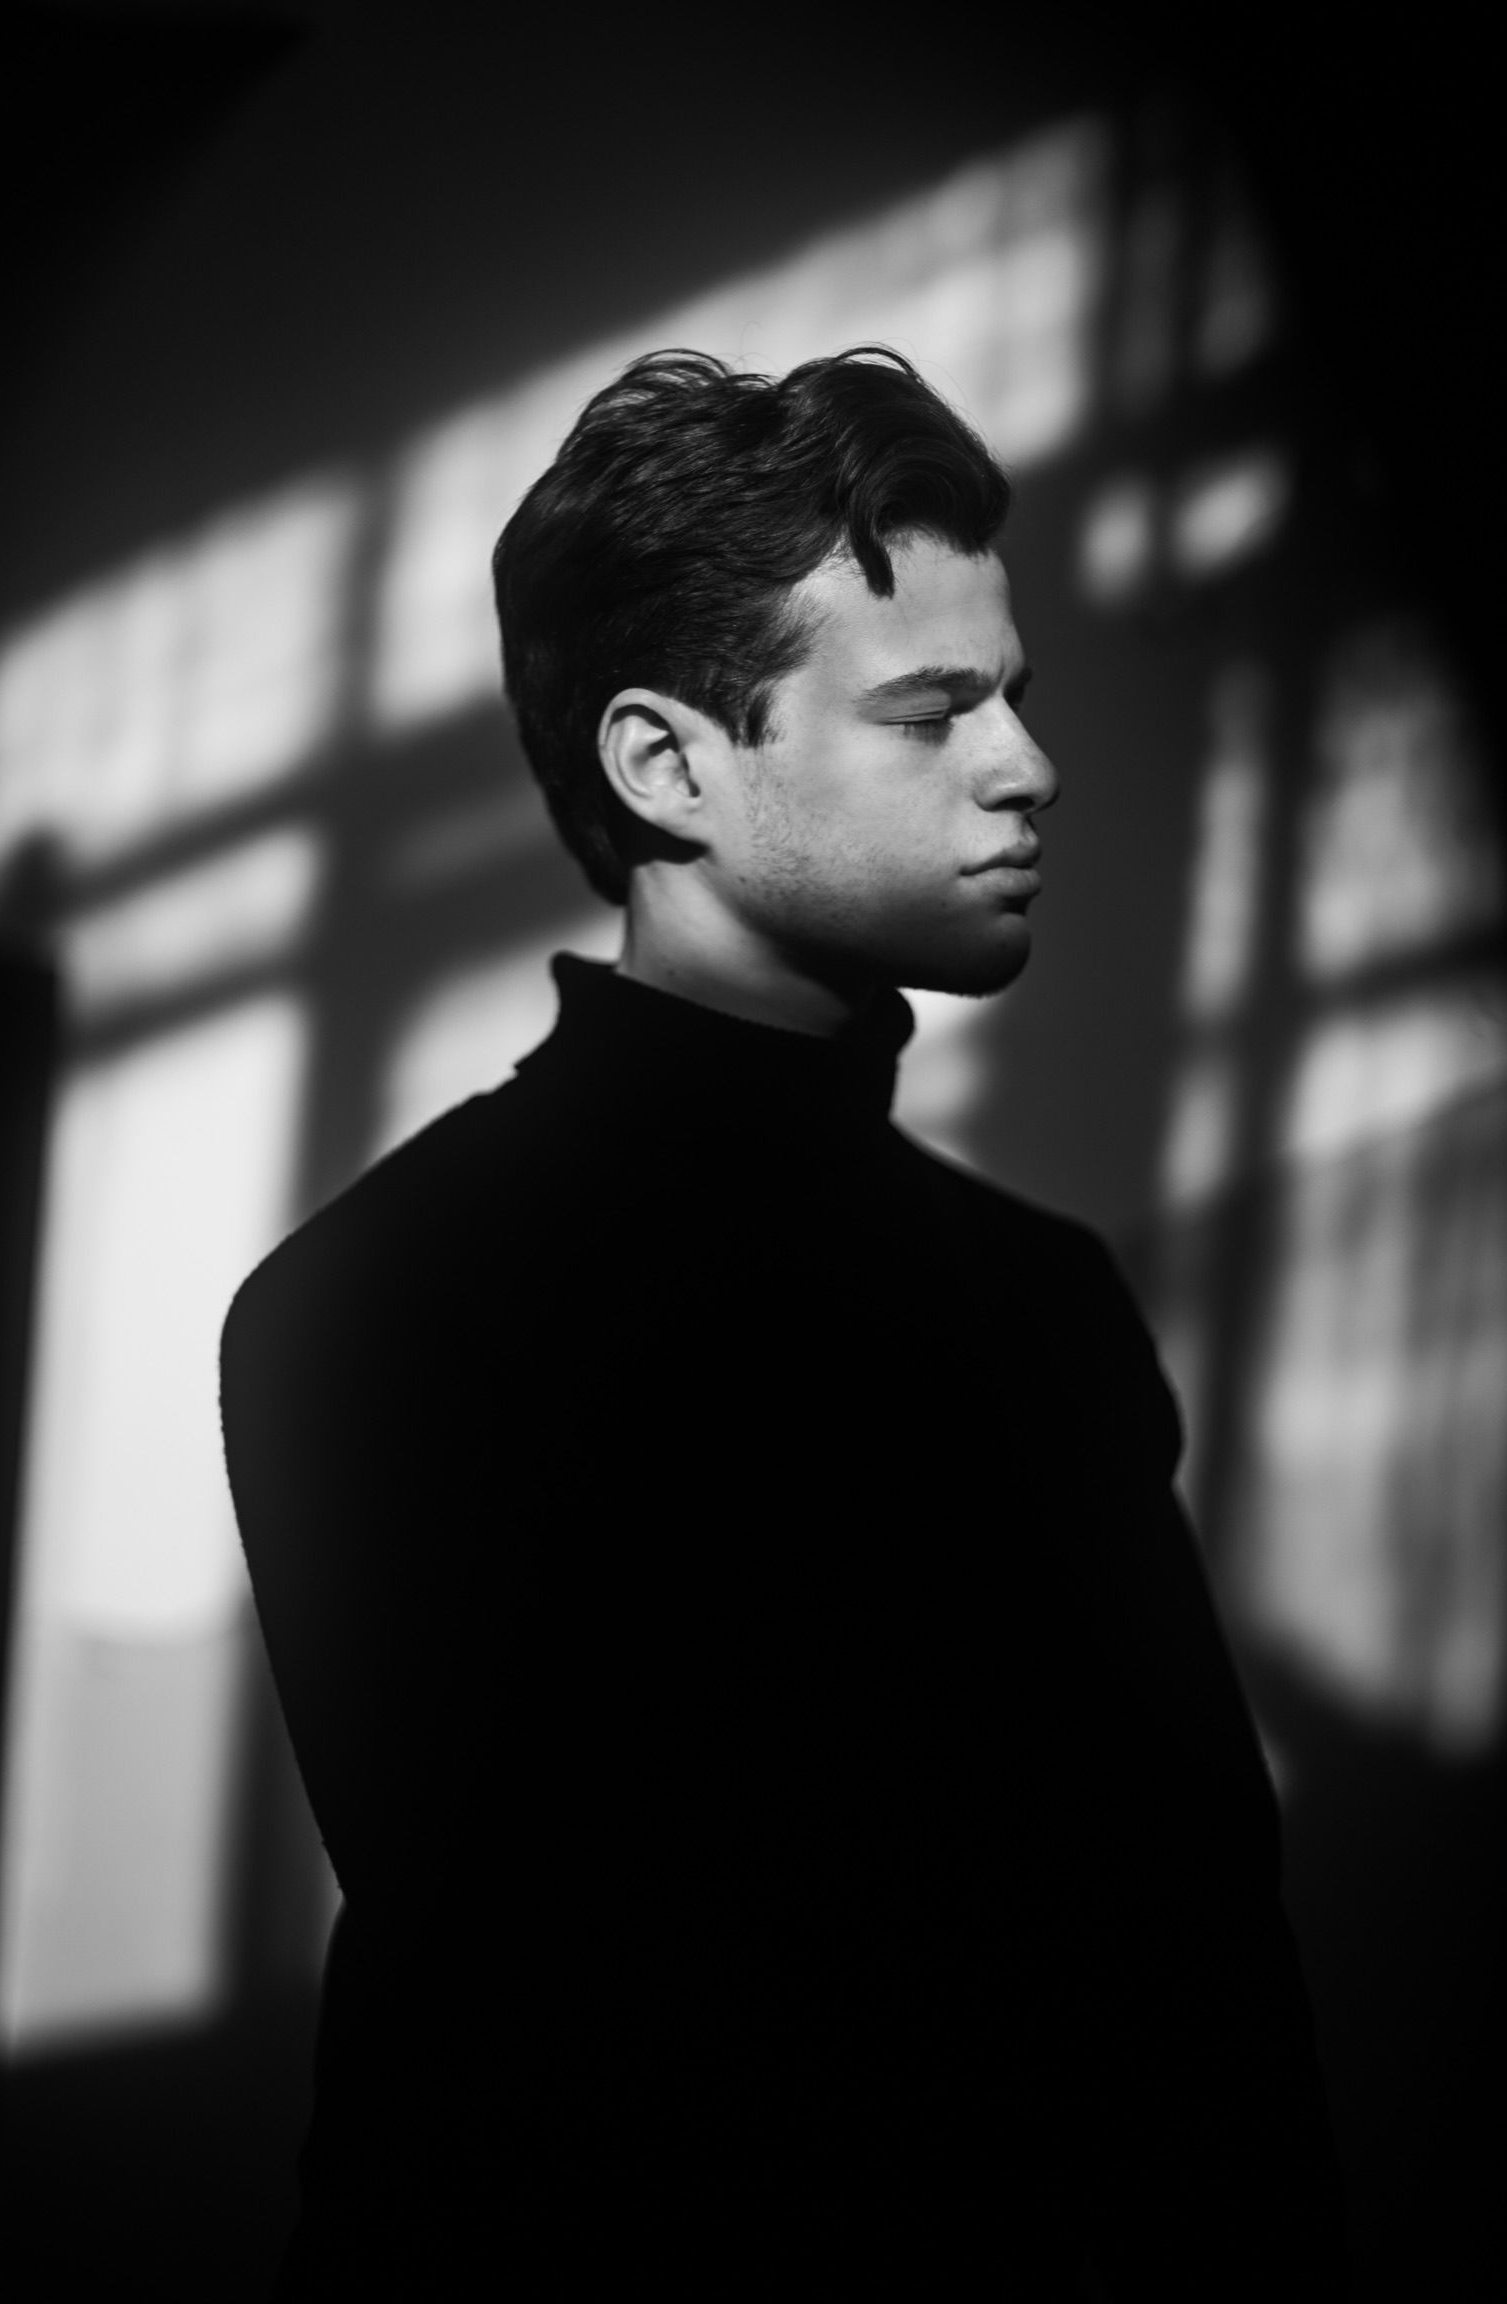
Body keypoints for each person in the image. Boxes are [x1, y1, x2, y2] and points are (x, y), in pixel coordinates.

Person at [220, 347, 1347, 2297]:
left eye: (1013, 692)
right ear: (665, 767)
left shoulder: (1043, 1304)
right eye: (932, 710)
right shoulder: (374, 1308)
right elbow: (554, 2040)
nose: (1028, 764)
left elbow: (1211, 1972)